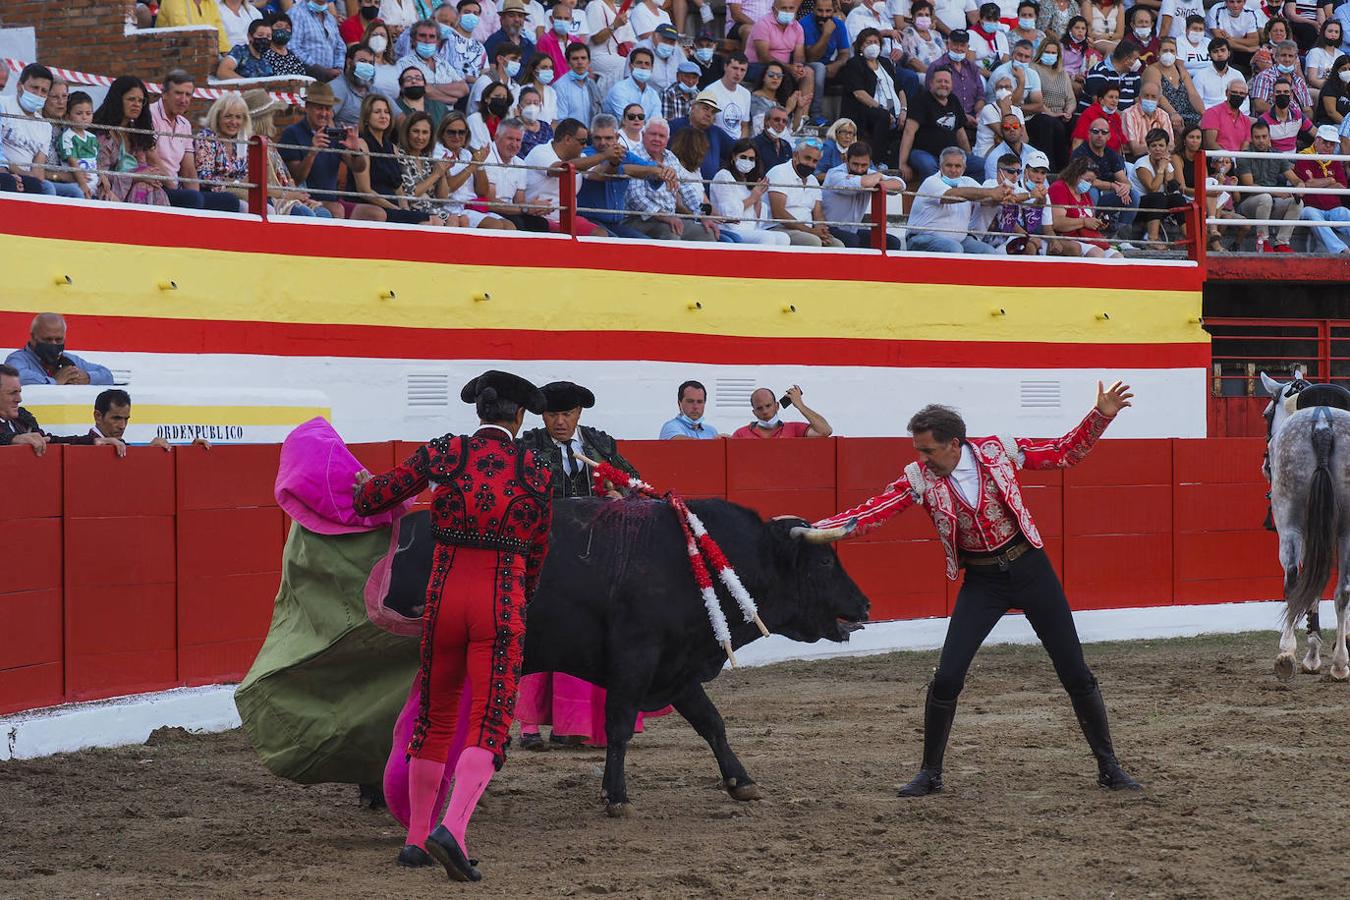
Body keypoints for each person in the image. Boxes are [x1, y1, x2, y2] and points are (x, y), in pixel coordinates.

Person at [811, 386, 1142, 797]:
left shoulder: (996, 451)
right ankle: (930, 773)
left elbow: (1064, 453)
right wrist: (824, 530)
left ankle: (1109, 768)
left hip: (1030, 570)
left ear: (954, 444)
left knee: (1074, 670)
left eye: (928, 450)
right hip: (983, 582)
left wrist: (1101, 415)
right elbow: (876, 509)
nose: (921, 459)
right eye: (919, 450)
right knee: (948, 675)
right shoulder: (919, 478)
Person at [352, 370, 552, 882]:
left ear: (479, 412)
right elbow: (537, 556)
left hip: (443, 597)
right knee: (487, 721)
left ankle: (416, 839)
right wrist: (516, 605)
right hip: (499, 599)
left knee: (435, 717)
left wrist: (363, 488)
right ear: (521, 417)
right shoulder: (535, 467)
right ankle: (454, 831)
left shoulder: (445, 452)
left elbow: (372, 499)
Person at [152, 70, 243, 212]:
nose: (183, 100)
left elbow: (188, 170)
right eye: (178, 93)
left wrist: (195, 194)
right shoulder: (150, 114)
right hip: (155, 185)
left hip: (176, 188)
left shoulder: (184, 124)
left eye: (188, 95)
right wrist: (171, 183)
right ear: (164, 93)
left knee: (230, 201)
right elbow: (149, 156)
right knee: (193, 199)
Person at [246, 89, 333, 218]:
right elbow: (251, 185)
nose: (273, 119)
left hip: (287, 195)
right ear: (263, 119)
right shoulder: (247, 145)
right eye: (271, 115)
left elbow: (285, 179)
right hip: (269, 199)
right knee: (305, 213)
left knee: (323, 213)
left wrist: (300, 196)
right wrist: (290, 195)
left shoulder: (268, 144)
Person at [906, 146, 1007, 253]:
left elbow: (986, 200)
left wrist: (1004, 195)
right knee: (954, 249)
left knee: (988, 252)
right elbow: (953, 195)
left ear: (964, 168)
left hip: (959, 240)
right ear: (940, 166)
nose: (953, 170)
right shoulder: (931, 182)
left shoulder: (967, 181)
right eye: (949, 165)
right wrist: (991, 192)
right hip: (920, 239)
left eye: (958, 166)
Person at [0, 364, 119, 456]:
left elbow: (51, 441)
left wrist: (94, 441)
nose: (19, 399)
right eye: (12, 393)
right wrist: (12, 440)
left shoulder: (22, 419)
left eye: (19, 392)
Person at [521, 116, 612, 235]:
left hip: (568, 219)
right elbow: (561, 169)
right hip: (539, 218)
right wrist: (604, 156)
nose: (585, 146)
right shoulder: (540, 152)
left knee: (600, 234)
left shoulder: (581, 158)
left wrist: (614, 161)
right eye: (582, 141)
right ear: (568, 139)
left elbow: (599, 175)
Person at [355, 94, 435, 224]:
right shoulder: (362, 143)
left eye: (386, 112)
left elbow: (399, 188)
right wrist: (397, 209)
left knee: (428, 219)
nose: (383, 116)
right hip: (372, 204)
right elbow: (364, 190)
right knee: (423, 221)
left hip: (393, 206)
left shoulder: (392, 148)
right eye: (377, 112)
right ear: (366, 117)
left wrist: (404, 208)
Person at [91, 76, 170, 207]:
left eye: (141, 101)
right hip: (108, 192)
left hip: (134, 189)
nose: (137, 104)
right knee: (143, 186)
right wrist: (136, 176)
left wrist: (150, 174)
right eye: (131, 99)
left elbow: (141, 168)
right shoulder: (104, 134)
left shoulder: (135, 134)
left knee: (149, 187)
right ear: (118, 100)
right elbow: (101, 175)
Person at [901, 68, 982, 182]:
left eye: (946, 81)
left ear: (951, 85)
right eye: (939, 81)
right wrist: (903, 163)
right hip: (923, 153)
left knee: (980, 165)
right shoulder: (920, 100)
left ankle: (967, 196)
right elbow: (909, 132)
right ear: (931, 83)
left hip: (951, 155)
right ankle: (937, 197)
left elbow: (960, 132)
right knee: (928, 166)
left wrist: (967, 155)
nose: (943, 84)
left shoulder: (954, 100)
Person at [841, 28, 906, 168]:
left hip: (891, 106)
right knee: (882, 116)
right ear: (860, 45)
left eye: (875, 42)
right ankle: (876, 161)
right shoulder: (855, 63)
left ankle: (898, 163)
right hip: (865, 109)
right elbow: (859, 93)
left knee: (910, 120)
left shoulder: (886, 63)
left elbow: (899, 89)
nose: (872, 45)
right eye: (868, 42)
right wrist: (882, 108)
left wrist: (904, 110)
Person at [819, 140, 904, 248]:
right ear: (846, 160)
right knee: (853, 240)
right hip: (828, 227)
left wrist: (875, 179)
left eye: (864, 165)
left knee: (892, 242)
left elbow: (900, 185)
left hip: (852, 230)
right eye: (855, 164)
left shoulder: (871, 174)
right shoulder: (834, 174)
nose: (859, 169)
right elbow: (866, 183)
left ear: (870, 163)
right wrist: (877, 177)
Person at [765, 137, 846, 247]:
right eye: (807, 158)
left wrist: (820, 229)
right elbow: (778, 213)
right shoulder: (779, 172)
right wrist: (811, 231)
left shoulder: (812, 180)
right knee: (813, 242)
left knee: (838, 246)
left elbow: (818, 213)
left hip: (807, 230)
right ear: (795, 155)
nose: (810, 164)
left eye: (815, 161)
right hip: (778, 228)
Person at [1236, 119, 1301, 252]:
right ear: (1252, 138)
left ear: (1269, 137)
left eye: (1264, 137)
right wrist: (1275, 192)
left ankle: (1282, 243)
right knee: (1265, 197)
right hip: (1248, 204)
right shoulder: (1244, 156)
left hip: (1271, 202)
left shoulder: (1277, 155)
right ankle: (1262, 241)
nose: (1261, 140)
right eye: (1257, 137)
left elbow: (1294, 179)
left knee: (1297, 202)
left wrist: (1300, 186)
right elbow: (1249, 186)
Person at [711, 138, 793, 244]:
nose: (747, 161)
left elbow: (759, 220)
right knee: (766, 238)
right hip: (730, 228)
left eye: (751, 159)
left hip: (751, 228)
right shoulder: (724, 176)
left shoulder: (750, 180)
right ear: (733, 156)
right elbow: (729, 214)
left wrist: (757, 199)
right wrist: (753, 197)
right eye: (743, 157)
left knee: (784, 238)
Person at [748, 0, 817, 120]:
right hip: (759, 65)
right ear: (774, 10)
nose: (788, 11)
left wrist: (798, 67)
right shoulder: (763, 24)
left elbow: (799, 55)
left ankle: (803, 118)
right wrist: (788, 68)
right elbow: (764, 56)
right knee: (779, 73)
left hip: (784, 67)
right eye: (784, 8)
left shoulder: (797, 27)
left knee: (808, 72)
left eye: (791, 8)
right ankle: (784, 115)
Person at [5, 313, 113, 387]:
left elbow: (107, 375)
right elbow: (16, 378)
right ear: (33, 338)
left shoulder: (69, 359)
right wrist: (55, 382)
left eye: (58, 339)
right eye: (48, 339)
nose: (53, 344)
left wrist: (87, 378)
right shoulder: (18, 359)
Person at [1071, 114, 1137, 231]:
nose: (1100, 135)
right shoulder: (1080, 153)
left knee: (1133, 195)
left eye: (1104, 132)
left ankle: (1122, 236)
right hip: (1082, 196)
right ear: (1089, 134)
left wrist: (1125, 187)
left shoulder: (1111, 154)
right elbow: (1085, 181)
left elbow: (1123, 179)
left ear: (1109, 136)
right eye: (1095, 131)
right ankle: (1090, 229)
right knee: (1091, 190)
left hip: (1105, 196)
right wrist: (1113, 186)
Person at [89, 388, 209, 450]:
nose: (122, 426)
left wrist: (192, 451)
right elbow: (71, 442)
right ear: (98, 416)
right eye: (116, 418)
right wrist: (95, 441)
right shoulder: (82, 443)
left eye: (126, 419)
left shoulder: (125, 447)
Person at [1049, 154, 1122, 257]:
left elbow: (1088, 219)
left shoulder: (1084, 192)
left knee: (1117, 257)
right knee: (1097, 253)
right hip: (1069, 238)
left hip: (1088, 238)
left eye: (1092, 181)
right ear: (1075, 174)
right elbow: (1057, 222)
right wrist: (1084, 222)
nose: (1089, 184)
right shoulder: (1059, 188)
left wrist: (1097, 223)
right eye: (1087, 180)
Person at [0, 64, 55, 197]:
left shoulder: (46, 127)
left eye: (44, 91)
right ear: (20, 87)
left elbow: (38, 171)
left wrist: (22, 175)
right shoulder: (3, 105)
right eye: (34, 88)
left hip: (27, 178)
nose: (39, 94)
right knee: (8, 182)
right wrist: (12, 173)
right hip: (3, 171)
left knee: (38, 186)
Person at [1295, 124, 1350, 255]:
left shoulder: (1335, 159)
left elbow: (1342, 186)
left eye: (1332, 144)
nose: (1329, 147)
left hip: (1334, 208)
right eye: (1326, 142)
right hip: (1310, 207)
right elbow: (1307, 184)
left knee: (1346, 214)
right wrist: (1330, 181)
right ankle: (1341, 250)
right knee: (1312, 215)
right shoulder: (1303, 157)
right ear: (1317, 140)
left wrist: (1318, 183)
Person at [193, 92, 252, 207]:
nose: (233, 122)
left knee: (266, 206)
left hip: (237, 193)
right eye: (228, 116)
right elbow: (204, 177)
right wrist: (235, 185)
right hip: (209, 193)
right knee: (242, 205)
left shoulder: (241, 142)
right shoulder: (207, 137)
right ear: (217, 117)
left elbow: (245, 175)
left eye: (238, 117)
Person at [1028, 33, 1076, 171]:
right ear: (1040, 52)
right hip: (1039, 114)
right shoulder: (1033, 69)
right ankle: (1054, 167)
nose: (1050, 55)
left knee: (1078, 122)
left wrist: (1068, 112)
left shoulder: (1063, 73)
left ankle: (1075, 167)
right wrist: (1051, 114)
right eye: (1047, 52)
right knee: (1052, 124)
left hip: (1060, 113)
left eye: (1053, 52)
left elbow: (1071, 99)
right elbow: (1035, 98)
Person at [1134, 127, 1189, 246]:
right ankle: (1152, 238)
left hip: (1159, 204)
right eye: (1154, 146)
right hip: (1138, 207)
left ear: (1166, 147)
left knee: (1177, 198)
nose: (1158, 149)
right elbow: (1152, 188)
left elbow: (1171, 187)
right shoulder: (1142, 164)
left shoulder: (1165, 163)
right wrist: (1161, 169)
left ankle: (1189, 237)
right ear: (1148, 148)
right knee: (1158, 197)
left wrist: (1165, 169)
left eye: (1161, 145)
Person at [398, 19, 470, 106]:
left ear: (438, 42)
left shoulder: (443, 64)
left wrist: (431, 87)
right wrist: (451, 98)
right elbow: (417, 91)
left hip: (448, 117)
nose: (427, 40)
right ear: (413, 40)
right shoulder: (404, 63)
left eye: (432, 36)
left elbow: (463, 88)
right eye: (422, 36)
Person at [803, 0, 852, 121]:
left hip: (828, 64)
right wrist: (826, 34)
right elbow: (812, 57)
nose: (824, 15)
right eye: (820, 10)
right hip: (807, 64)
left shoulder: (838, 24)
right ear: (813, 9)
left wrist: (837, 64)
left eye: (828, 11)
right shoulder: (805, 23)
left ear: (834, 10)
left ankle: (848, 117)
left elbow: (844, 53)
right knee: (819, 68)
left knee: (854, 67)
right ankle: (816, 114)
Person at [670, 89, 735, 180]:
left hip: (710, 190)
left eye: (713, 112)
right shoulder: (675, 126)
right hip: (681, 185)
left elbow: (738, 149)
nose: (709, 114)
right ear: (692, 108)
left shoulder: (716, 132)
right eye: (705, 108)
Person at [1145, 34, 1204, 133]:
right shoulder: (1152, 70)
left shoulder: (1181, 70)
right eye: (1165, 51)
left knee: (1206, 123)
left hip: (1187, 113)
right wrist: (1173, 113)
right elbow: (1158, 95)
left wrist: (1204, 112)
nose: (1169, 54)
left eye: (1172, 51)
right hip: (1166, 113)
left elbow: (1193, 95)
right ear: (1158, 53)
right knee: (1178, 125)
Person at [732, 385, 834, 438]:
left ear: (777, 406)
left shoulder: (793, 428)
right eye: (760, 408)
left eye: (768, 406)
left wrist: (800, 405)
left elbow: (825, 431)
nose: (765, 411)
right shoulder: (741, 434)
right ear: (754, 412)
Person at [586, 0, 639, 95]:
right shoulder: (595, 5)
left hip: (617, 55)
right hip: (597, 56)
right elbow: (597, 39)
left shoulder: (619, 9)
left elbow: (631, 41)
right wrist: (615, 25)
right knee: (626, 66)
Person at [288, 0, 347, 81]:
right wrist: (319, 70)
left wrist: (338, 69)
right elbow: (292, 47)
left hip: (330, 81)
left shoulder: (330, 18)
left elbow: (340, 47)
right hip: (305, 79)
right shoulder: (296, 13)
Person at [1078, 41, 1142, 115]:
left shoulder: (1134, 74)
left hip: (1126, 119)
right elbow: (1099, 104)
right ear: (1126, 60)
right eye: (1135, 59)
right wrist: (1124, 117)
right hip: (1097, 118)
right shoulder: (1099, 71)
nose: (1138, 62)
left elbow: (1137, 99)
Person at [59, 92, 100, 201]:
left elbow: (97, 163)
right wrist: (82, 184)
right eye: (79, 113)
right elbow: (72, 161)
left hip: (95, 188)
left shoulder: (92, 138)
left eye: (88, 113)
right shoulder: (67, 136)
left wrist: (103, 179)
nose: (84, 117)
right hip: (78, 187)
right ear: (68, 117)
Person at [704, 53, 755, 140]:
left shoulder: (746, 94)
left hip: (737, 143)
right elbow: (706, 124)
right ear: (725, 67)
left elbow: (744, 125)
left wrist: (741, 145)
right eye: (735, 68)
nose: (738, 73)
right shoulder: (710, 91)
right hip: (717, 140)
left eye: (742, 70)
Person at [604, 47, 662, 120]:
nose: (643, 67)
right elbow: (627, 121)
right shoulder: (619, 90)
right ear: (630, 66)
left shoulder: (653, 95)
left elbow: (656, 122)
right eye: (639, 63)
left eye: (647, 64)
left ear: (652, 68)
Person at [1258, 77, 1315, 152]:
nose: (1282, 95)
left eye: (1286, 92)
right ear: (1273, 96)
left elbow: (1316, 134)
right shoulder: (1263, 120)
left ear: (1291, 95)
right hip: (1275, 160)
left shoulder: (1298, 115)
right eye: (1278, 92)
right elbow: (1264, 148)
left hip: (1294, 159)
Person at [1205, 0, 1264, 73]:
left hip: (1237, 47)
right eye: (1232, 2)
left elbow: (1254, 41)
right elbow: (1221, 42)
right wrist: (1247, 49)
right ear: (1226, 2)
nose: (1235, 5)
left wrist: (1231, 39)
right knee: (1224, 50)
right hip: (1218, 48)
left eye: (1239, 2)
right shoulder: (1216, 10)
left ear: (1244, 2)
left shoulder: (1250, 12)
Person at [1121, 79, 1173, 159]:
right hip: (1135, 159)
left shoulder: (1164, 115)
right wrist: (1159, 147)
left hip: (1160, 157)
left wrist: (1155, 149)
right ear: (1139, 98)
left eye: (1153, 97)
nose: (1149, 99)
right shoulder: (1129, 114)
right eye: (1146, 96)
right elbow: (1135, 150)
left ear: (1158, 101)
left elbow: (1171, 145)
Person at [1192, 38, 1248, 113]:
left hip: (1236, 116)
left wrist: (1232, 114)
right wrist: (1220, 114)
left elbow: (1245, 102)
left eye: (1223, 50)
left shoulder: (1238, 75)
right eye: (1215, 51)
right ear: (1210, 55)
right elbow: (1198, 103)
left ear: (1229, 53)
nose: (1220, 54)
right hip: (1211, 116)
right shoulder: (1200, 76)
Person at [557, 42, 605, 126]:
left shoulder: (591, 84)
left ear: (589, 61)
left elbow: (599, 111)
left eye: (583, 58)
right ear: (568, 62)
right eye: (575, 59)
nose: (580, 62)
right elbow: (561, 120)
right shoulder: (560, 86)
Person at [157, 0, 231, 54]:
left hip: (204, 56)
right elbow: (184, 31)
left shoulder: (210, 2)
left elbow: (219, 30)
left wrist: (225, 52)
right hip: (175, 57)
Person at [750, 62, 805, 135]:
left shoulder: (780, 100)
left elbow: (792, 129)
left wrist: (799, 108)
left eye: (779, 76)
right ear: (763, 77)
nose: (775, 78)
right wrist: (788, 109)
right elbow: (760, 127)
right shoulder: (755, 98)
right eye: (771, 75)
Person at [1200, 80, 1252, 152]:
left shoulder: (1246, 120)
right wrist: (1228, 158)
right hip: (1218, 159)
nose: (1238, 95)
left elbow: (1245, 146)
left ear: (1246, 96)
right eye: (1234, 92)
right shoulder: (1213, 113)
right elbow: (1210, 143)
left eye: (1241, 93)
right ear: (1226, 93)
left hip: (1238, 160)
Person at [1073, 83, 1126, 152]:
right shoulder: (1089, 113)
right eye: (1111, 97)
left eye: (1116, 98)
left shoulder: (1116, 117)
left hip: (1112, 158)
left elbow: (1120, 145)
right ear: (1101, 100)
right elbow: (1077, 141)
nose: (1114, 100)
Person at [485, 0, 538, 68]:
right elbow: (490, 70)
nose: (517, 19)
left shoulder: (529, 45)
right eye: (511, 15)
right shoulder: (493, 42)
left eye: (520, 16)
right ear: (502, 19)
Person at [642, 23, 689, 93]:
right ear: (654, 36)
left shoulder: (677, 50)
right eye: (665, 40)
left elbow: (687, 71)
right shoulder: (642, 48)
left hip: (674, 97)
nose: (668, 44)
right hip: (648, 95)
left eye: (672, 42)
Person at [262, 12, 310, 77]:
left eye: (287, 27)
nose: (283, 30)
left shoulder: (294, 58)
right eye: (279, 26)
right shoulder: (265, 56)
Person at [519, 54, 559, 124]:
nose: (548, 70)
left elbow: (554, 119)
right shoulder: (522, 90)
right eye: (544, 67)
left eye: (550, 68)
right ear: (534, 71)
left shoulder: (551, 91)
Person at [1305, 20, 1344, 91]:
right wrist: (1333, 89)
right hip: (1318, 90)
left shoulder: (1341, 54)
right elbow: (1312, 80)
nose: (1333, 34)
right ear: (1323, 32)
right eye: (1330, 31)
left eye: (1336, 32)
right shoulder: (1315, 52)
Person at [753, 104, 795, 169]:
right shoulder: (754, 144)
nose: (781, 123)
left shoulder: (786, 146)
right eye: (777, 119)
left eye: (784, 121)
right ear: (766, 121)